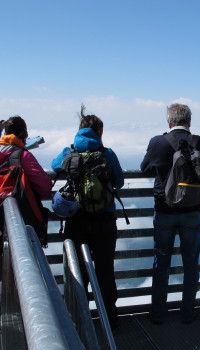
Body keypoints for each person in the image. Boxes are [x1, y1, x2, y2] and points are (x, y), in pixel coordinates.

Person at [140, 103, 200, 324]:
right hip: (191, 212)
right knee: (191, 262)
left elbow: (144, 168)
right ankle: (188, 313)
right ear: (189, 121)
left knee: (162, 262)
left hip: (164, 210)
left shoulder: (158, 142)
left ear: (169, 121)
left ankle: (158, 314)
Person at [52, 106, 124, 330]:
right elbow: (119, 181)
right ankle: (110, 322)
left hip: (76, 222)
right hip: (104, 222)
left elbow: (55, 166)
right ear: (100, 132)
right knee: (104, 272)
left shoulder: (69, 152)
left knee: (77, 274)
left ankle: (78, 324)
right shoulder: (107, 154)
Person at [0, 115, 52, 342]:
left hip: (0, 221)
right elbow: (43, 186)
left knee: (5, 267)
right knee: (23, 270)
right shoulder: (21, 156)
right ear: (23, 134)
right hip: (23, 222)